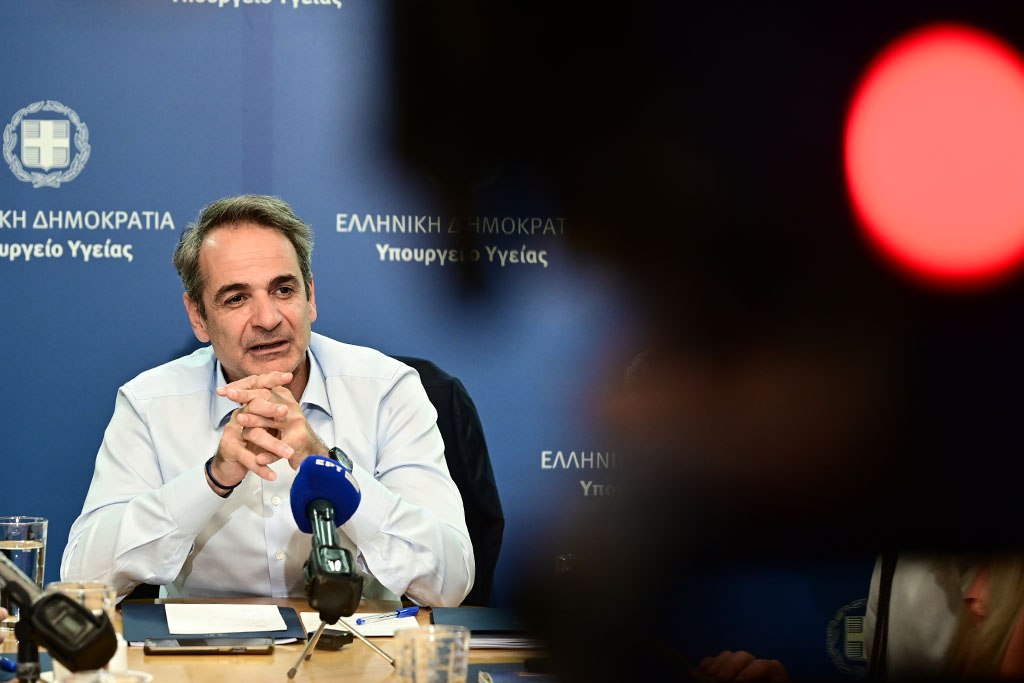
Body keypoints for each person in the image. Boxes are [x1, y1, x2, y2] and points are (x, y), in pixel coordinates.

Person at [60, 194, 474, 606]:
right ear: (198, 316)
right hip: (206, 648)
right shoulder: (150, 403)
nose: (268, 318)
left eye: (283, 290)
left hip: (356, 642)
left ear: (310, 297)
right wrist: (213, 478)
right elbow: (83, 579)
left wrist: (327, 467)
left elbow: (450, 582)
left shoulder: (386, 389)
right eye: (236, 298)